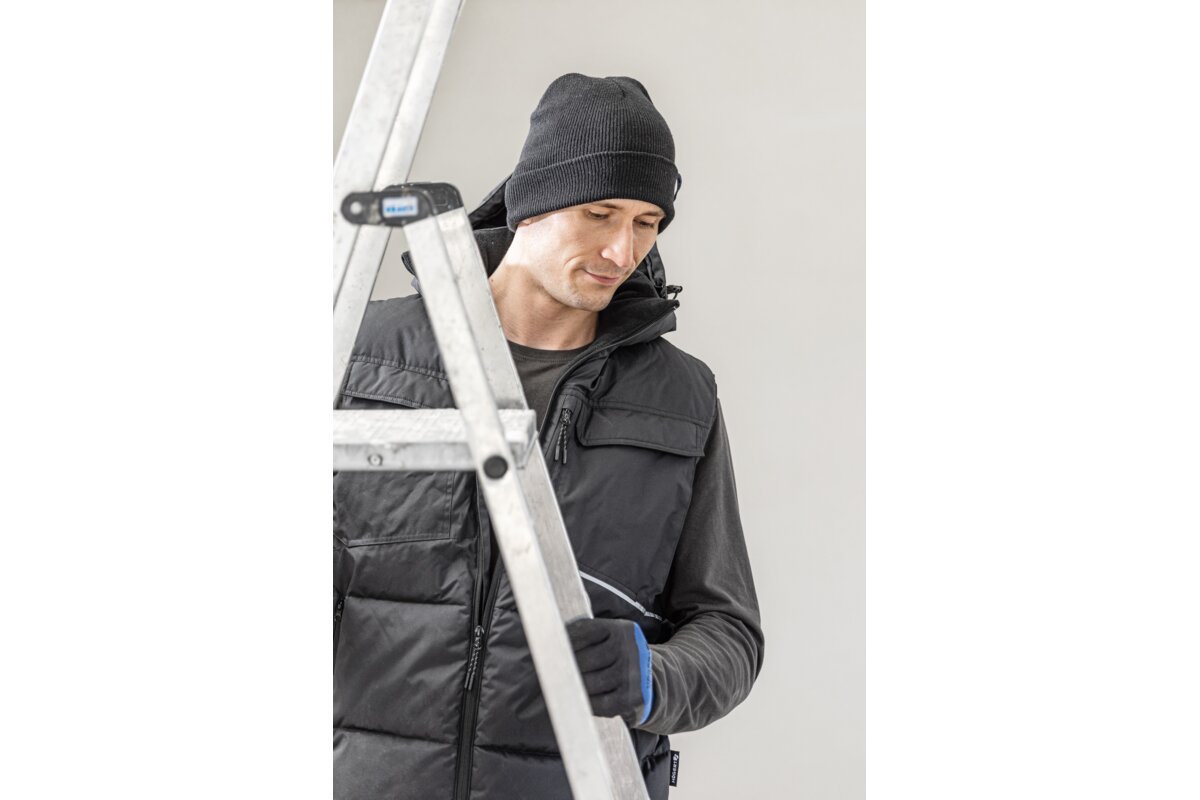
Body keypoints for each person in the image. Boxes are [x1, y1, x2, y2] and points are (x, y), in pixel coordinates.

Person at [334, 72, 765, 800]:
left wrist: (654, 676)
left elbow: (729, 632)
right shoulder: (358, 353)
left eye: (647, 223)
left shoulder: (681, 398)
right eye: (600, 213)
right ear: (531, 203)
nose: (622, 250)